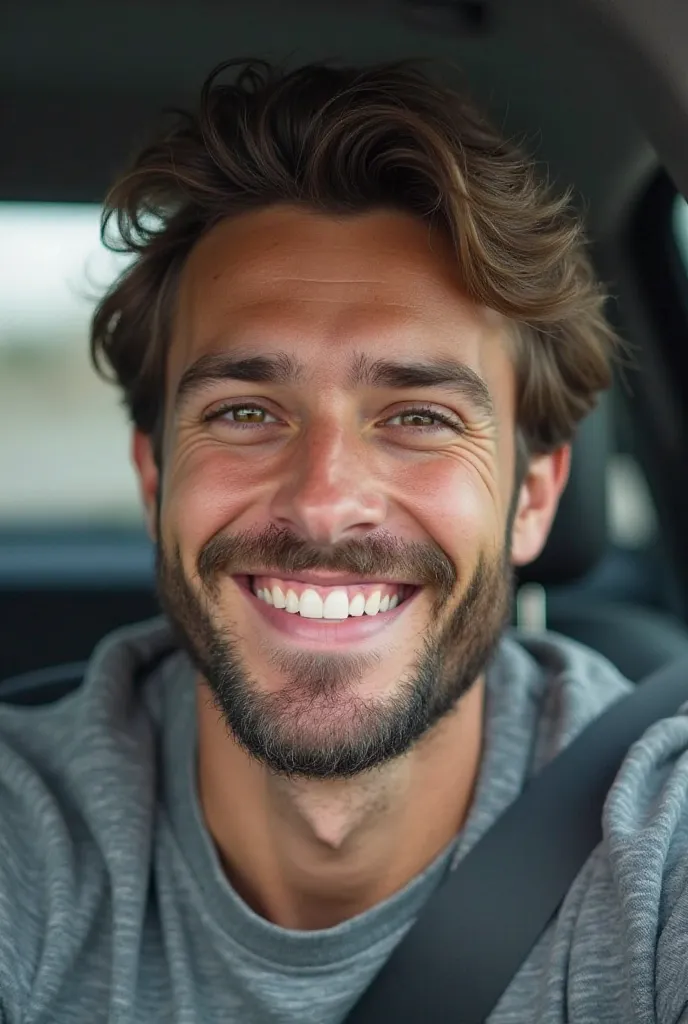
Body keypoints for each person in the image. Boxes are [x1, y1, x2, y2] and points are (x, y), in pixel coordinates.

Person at [1, 58, 686, 1024]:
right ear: (155, 477)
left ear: (532, 496)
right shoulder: (25, 833)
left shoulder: (660, 848)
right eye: (245, 410)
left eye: (419, 417)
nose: (324, 503)